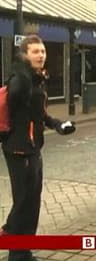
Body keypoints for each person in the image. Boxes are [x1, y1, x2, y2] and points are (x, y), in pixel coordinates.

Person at [0, 34, 76, 261]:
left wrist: (58, 124)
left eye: (42, 51)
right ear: (25, 55)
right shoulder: (21, 79)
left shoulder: (34, 78)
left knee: (32, 201)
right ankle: (15, 248)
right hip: (19, 148)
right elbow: (15, 109)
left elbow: (39, 114)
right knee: (24, 202)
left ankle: (23, 250)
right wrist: (14, 134)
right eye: (35, 51)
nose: (41, 55)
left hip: (33, 147)